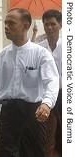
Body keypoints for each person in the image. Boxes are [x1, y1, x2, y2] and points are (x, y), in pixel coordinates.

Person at [0, 8, 59, 157]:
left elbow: (52, 81)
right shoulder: (0, 57)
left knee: (34, 153)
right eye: (5, 23)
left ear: (26, 25)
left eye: (11, 23)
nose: (6, 27)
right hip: (8, 115)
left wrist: (46, 103)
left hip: (34, 114)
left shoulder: (41, 54)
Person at [39, 9, 62, 157]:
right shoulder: (39, 48)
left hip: (66, 94)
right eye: (46, 24)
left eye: (53, 24)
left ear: (60, 24)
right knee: (46, 132)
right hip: (45, 96)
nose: (49, 27)